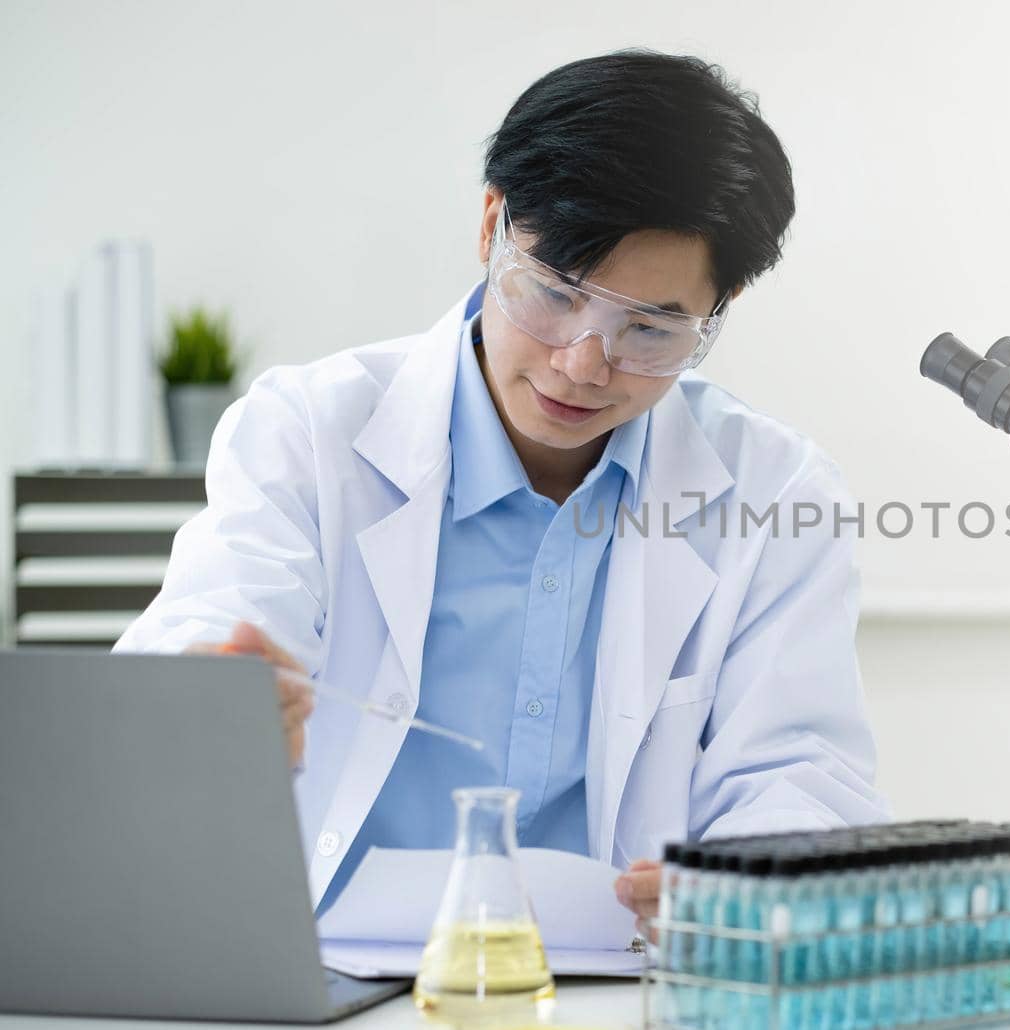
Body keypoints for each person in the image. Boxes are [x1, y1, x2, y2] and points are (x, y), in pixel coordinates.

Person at [115, 51, 889, 930]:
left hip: (626, 982)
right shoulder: (309, 431)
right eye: (556, 295)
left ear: (723, 304)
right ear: (492, 225)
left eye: (650, 327)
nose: (583, 364)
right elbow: (210, 630)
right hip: (331, 964)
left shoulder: (776, 492)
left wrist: (750, 881)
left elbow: (799, 770)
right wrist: (215, 699)